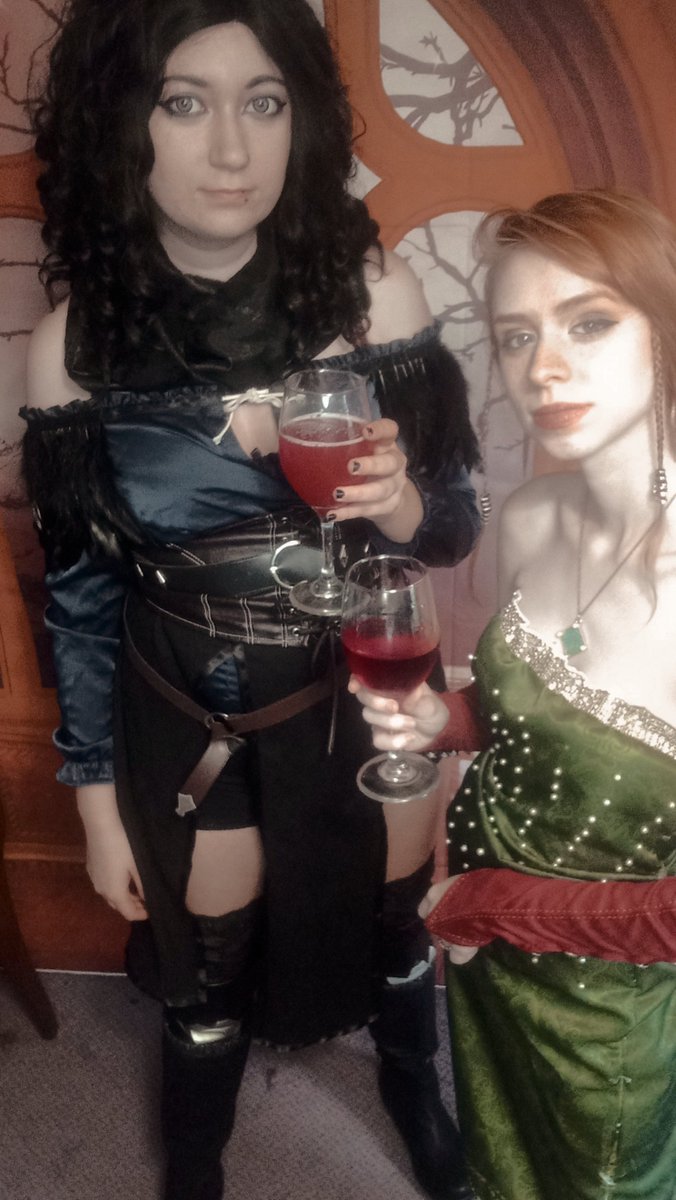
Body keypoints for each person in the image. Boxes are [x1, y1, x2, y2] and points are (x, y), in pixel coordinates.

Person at [21, 2, 481, 1198]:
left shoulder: (372, 298)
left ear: (301, 121)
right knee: (205, 968)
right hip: (195, 709)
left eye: (262, 102)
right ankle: (196, 1157)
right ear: (123, 122)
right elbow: (79, 601)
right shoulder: (73, 348)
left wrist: (395, 499)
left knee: (394, 922)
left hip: (363, 683)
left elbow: (449, 530)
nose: (231, 148)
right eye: (185, 102)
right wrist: (96, 808)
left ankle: (411, 1088)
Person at [351, 188, 676, 1200]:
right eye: (516, 336)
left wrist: (490, 901)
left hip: (611, 1010)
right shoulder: (529, 516)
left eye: (589, 322)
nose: (543, 367)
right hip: (486, 955)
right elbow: (526, 717)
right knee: (503, 1160)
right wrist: (439, 720)